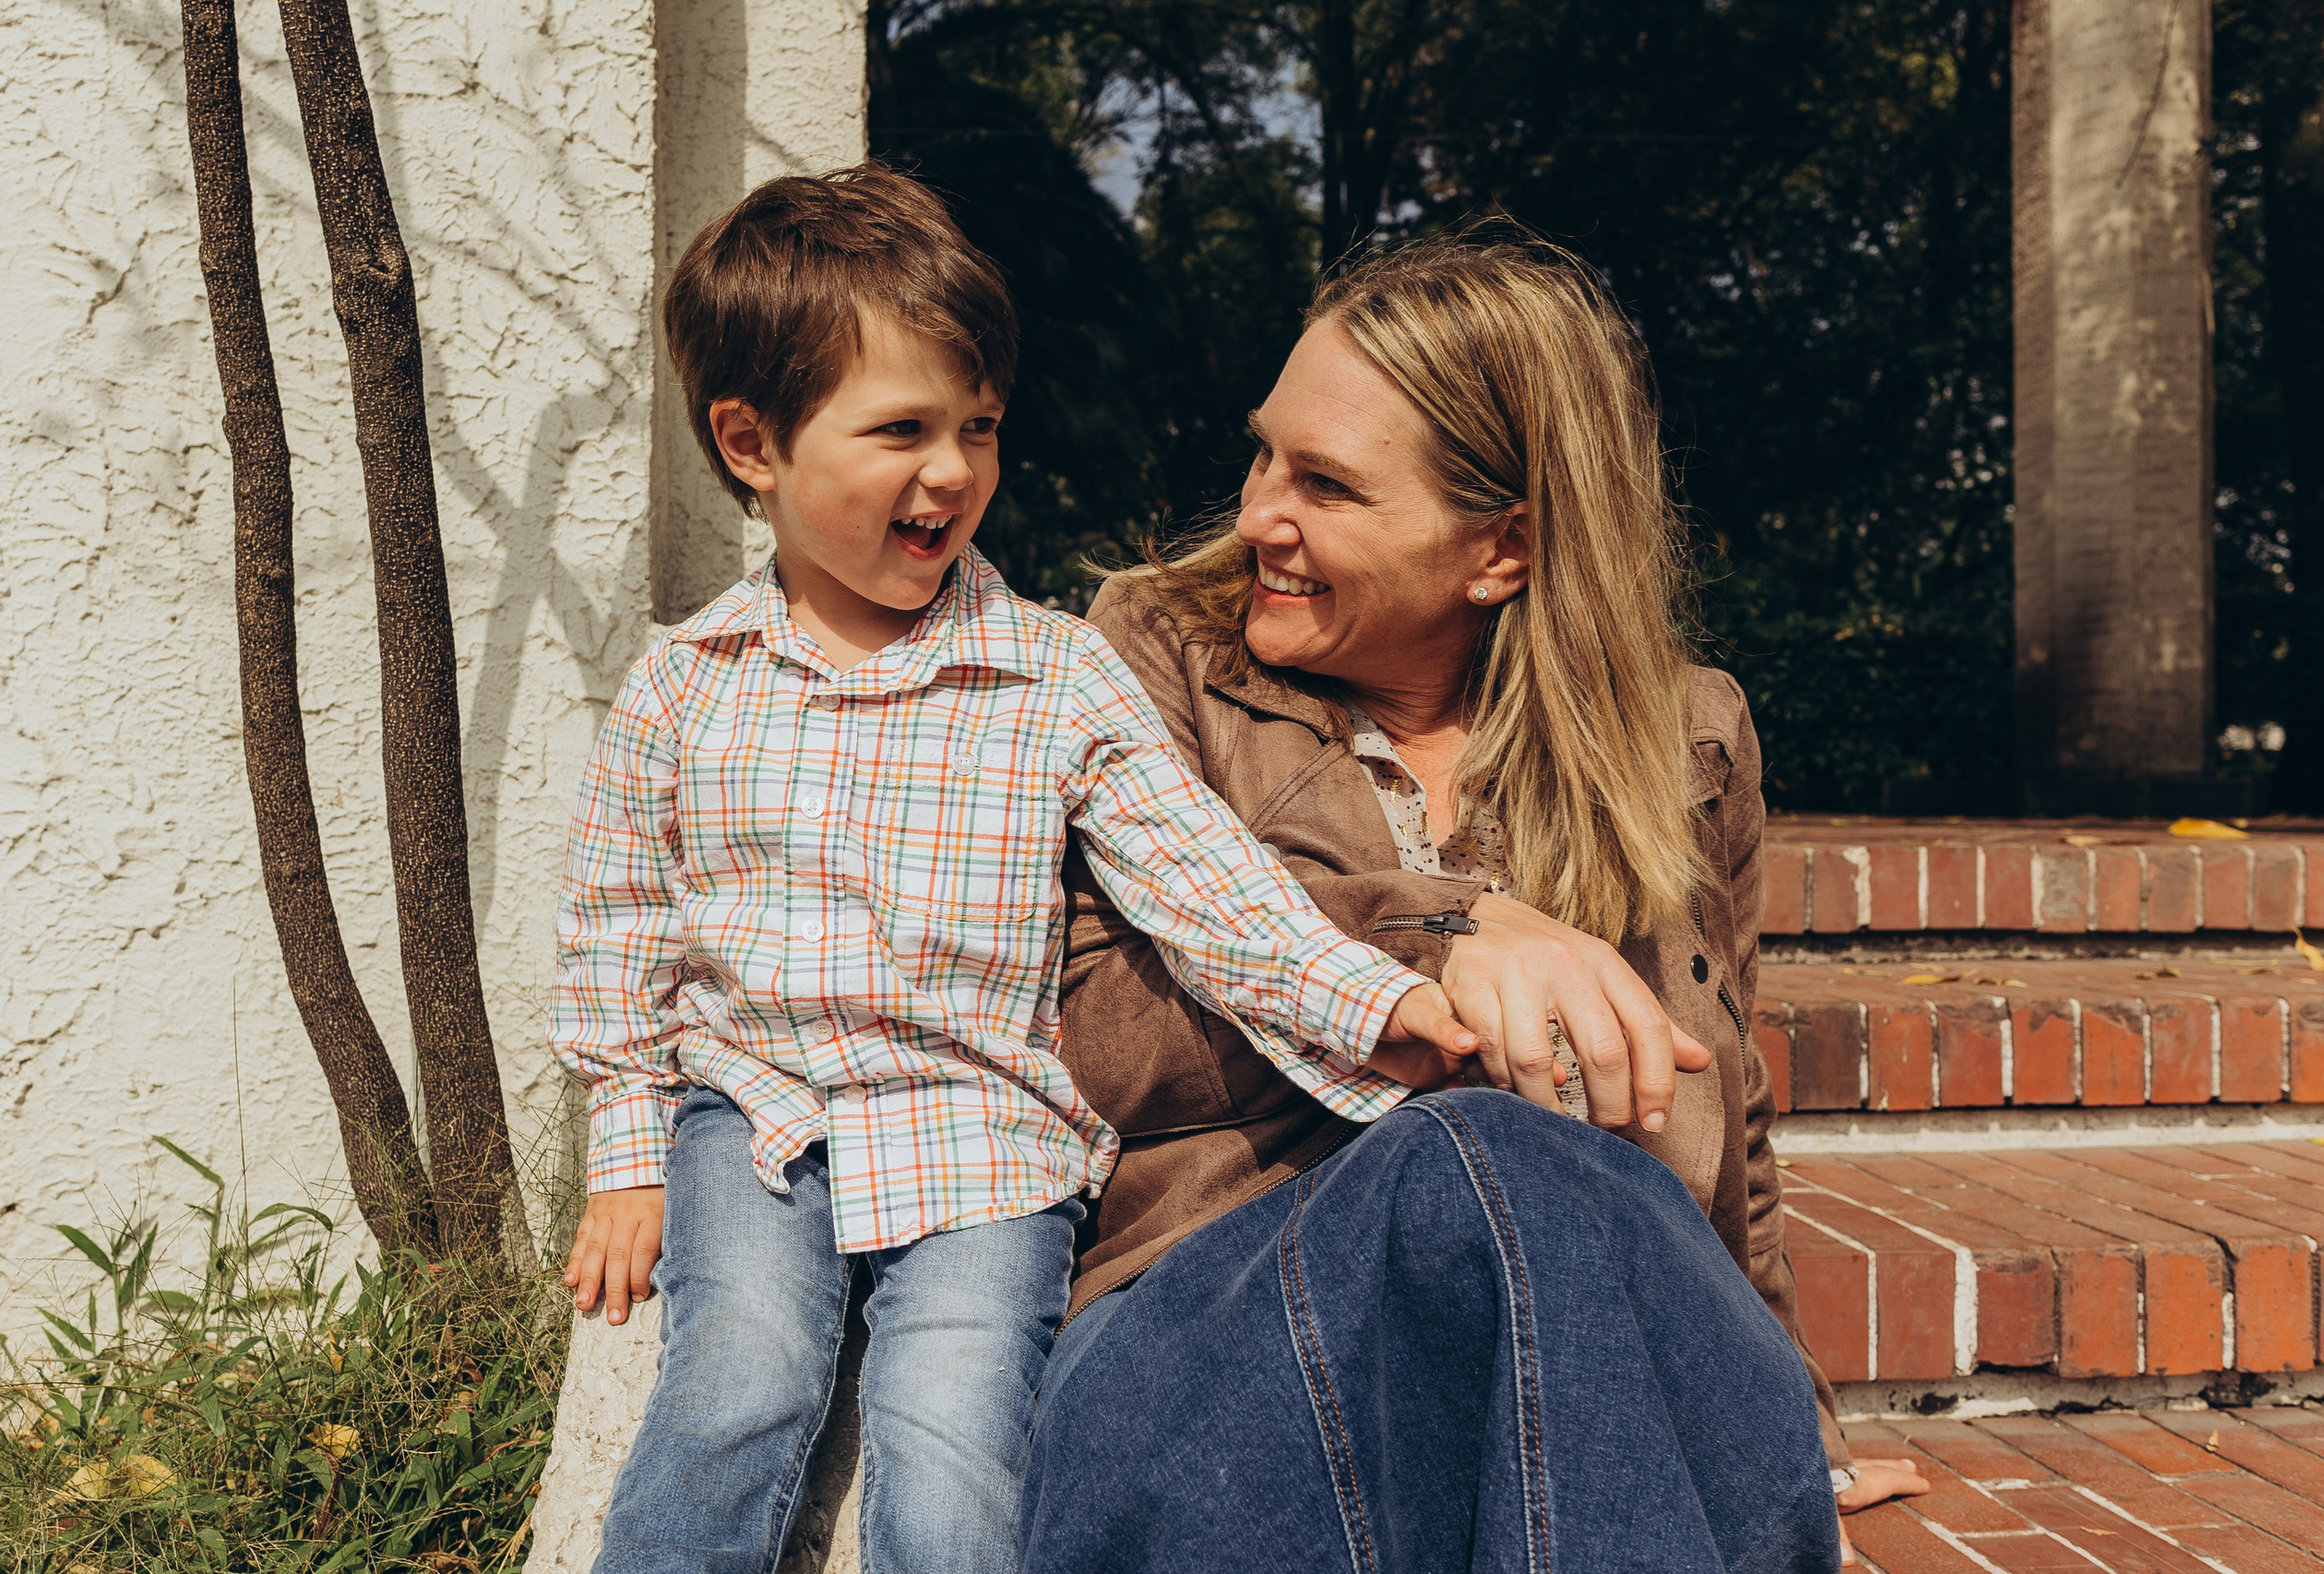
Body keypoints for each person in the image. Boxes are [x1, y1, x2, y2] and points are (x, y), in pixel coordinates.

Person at [547, 164, 1486, 1574]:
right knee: (738, 1381)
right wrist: (628, 1160)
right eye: (902, 429)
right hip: (756, 1116)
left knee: (951, 1453)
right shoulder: (685, 686)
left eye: (977, 426)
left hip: (982, 1139)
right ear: (753, 444)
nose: (953, 471)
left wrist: (1376, 1001)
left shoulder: (1055, 677)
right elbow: (622, 933)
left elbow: (1209, 884)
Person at [1021, 230, 1930, 1572]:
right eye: (1267, 455)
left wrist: (1785, 1425)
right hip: (1214, 1339)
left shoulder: (1686, 738)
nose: (1259, 514)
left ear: (1502, 550)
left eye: (1327, 484)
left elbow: (1729, 1115)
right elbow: (1092, 1032)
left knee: (1524, 1175)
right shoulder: (1149, 661)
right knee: (1470, 1156)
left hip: (1590, 1364)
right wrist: (1436, 936)